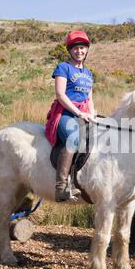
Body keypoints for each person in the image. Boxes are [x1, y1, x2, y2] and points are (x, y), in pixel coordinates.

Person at [45, 30, 97, 202]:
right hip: (65, 114)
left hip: (83, 115)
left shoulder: (88, 74)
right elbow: (60, 95)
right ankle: (61, 186)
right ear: (70, 50)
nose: (79, 51)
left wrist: (93, 114)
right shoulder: (63, 68)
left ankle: (84, 183)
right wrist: (79, 113)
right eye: (75, 48)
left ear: (87, 50)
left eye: (82, 48)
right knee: (73, 139)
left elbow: (89, 98)